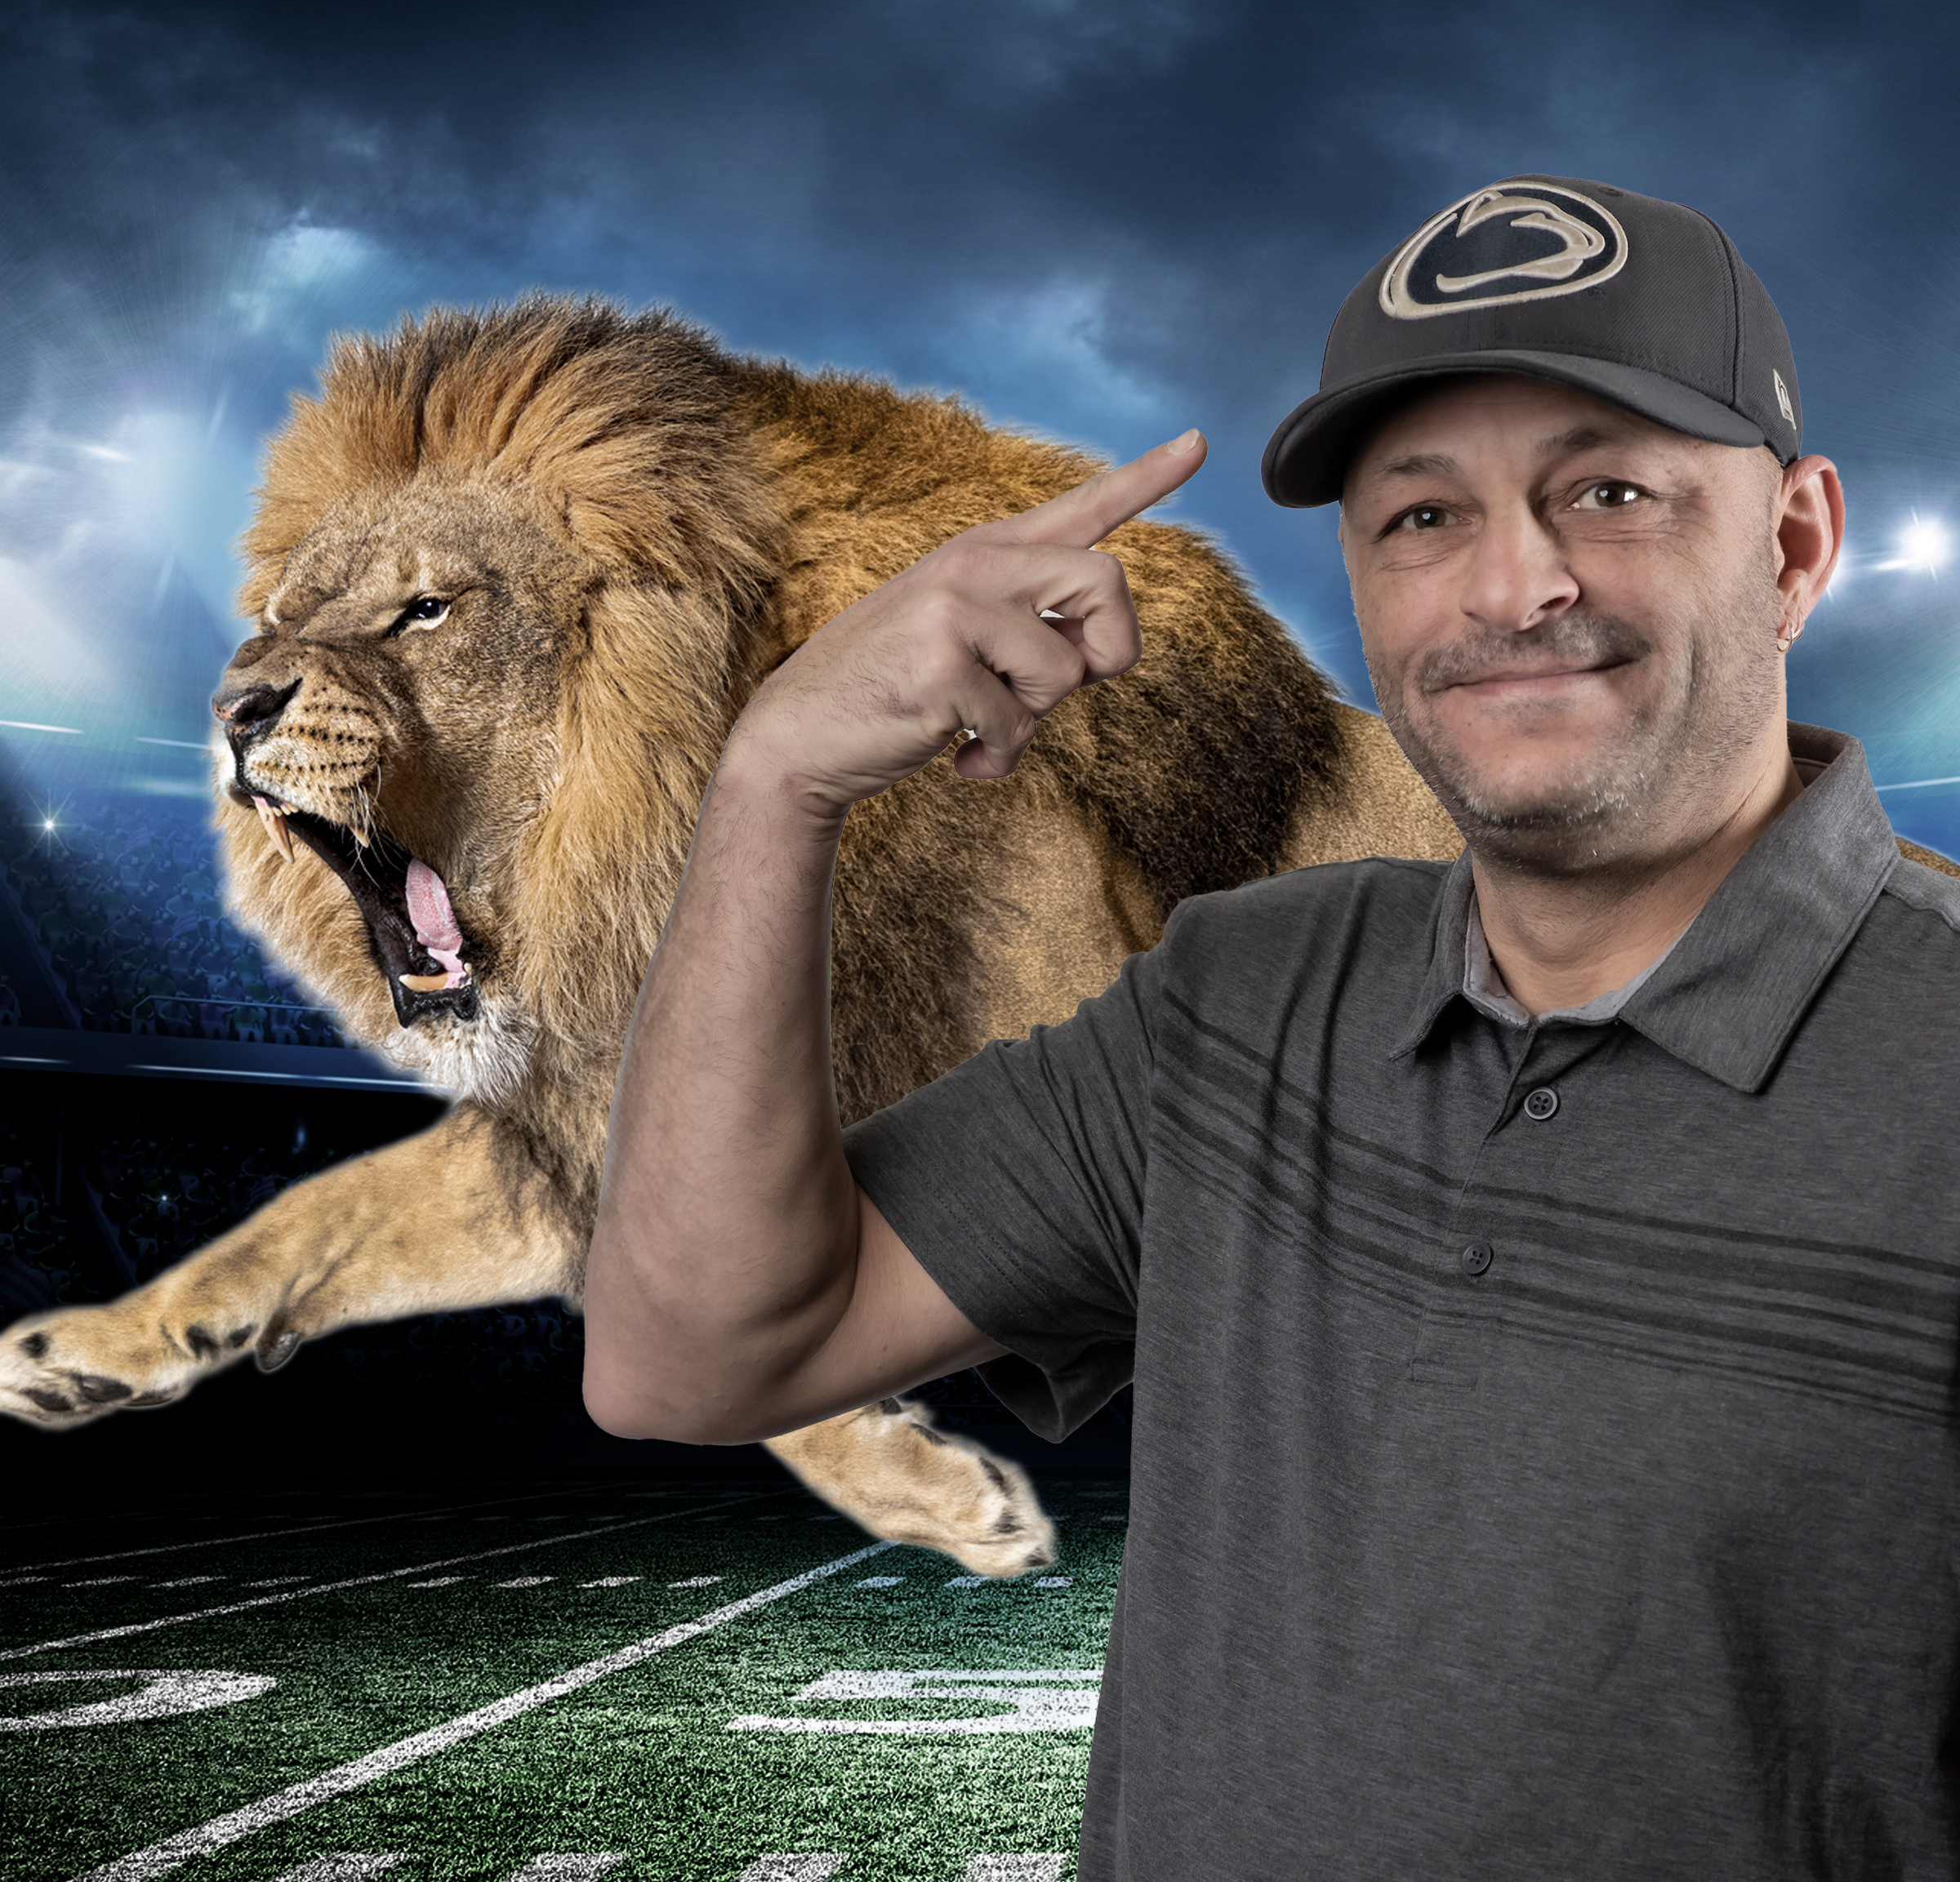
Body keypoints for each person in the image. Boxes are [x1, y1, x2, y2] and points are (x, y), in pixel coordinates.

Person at [585, 177, 1960, 1878]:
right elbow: (690, 1358)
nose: (1512, 587)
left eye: (1608, 489)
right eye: (1422, 518)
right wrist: (775, 781)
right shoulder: (1237, 1000)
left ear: (1797, 546)